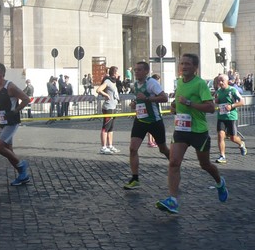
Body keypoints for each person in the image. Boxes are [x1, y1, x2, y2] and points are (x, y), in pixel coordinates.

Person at [156, 53, 229, 214]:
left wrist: (189, 103)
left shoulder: (200, 84)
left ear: (195, 67)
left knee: (205, 165)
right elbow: (177, 103)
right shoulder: (180, 83)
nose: (183, 66)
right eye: (181, 63)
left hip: (198, 131)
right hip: (181, 130)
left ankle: (219, 182)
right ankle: (173, 200)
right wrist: (175, 106)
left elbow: (211, 107)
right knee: (174, 162)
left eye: (187, 64)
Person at [124, 62, 170, 190]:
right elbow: (140, 99)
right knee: (133, 149)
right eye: (135, 70)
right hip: (140, 121)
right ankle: (135, 179)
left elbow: (164, 98)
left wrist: (147, 99)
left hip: (154, 121)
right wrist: (134, 103)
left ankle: (175, 165)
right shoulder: (136, 84)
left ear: (146, 71)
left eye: (139, 70)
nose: (136, 72)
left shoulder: (152, 83)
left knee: (163, 149)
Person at [0, 63, 31, 186]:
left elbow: (26, 99)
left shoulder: (10, 86)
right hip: (1, 122)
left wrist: (15, 111)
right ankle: (22, 175)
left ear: (1, 74)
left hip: (11, 122)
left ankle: (21, 165)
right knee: (8, 150)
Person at [214, 74, 247, 164]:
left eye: (222, 81)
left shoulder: (232, 90)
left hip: (231, 117)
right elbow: (217, 100)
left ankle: (241, 144)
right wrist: (216, 101)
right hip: (221, 117)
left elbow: (242, 102)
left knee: (233, 138)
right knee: (220, 135)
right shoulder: (218, 92)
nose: (220, 83)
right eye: (219, 81)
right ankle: (222, 156)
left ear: (227, 81)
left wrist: (232, 106)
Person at [96, 66, 120, 154]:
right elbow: (98, 90)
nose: (118, 74)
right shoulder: (107, 81)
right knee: (105, 127)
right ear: (114, 73)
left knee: (111, 128)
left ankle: (110, 145)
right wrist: (106, 95)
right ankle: (103, 147)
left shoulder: (114, 82)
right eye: (117, 73)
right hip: (108, 107)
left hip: (113, 107)